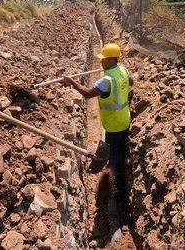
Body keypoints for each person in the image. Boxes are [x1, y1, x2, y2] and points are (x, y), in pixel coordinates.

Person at [61, 43, 132, 239]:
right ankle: (123, 159)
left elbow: (86, 94)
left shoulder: (106, 80)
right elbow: (130, 84)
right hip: (125, 119)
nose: (100, 60)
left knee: (115, 163)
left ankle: (119, 198)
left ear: (111, 59)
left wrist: (71, 82)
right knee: (120, 149)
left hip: (113, 126)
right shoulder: (123, 71)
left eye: (103, 58)